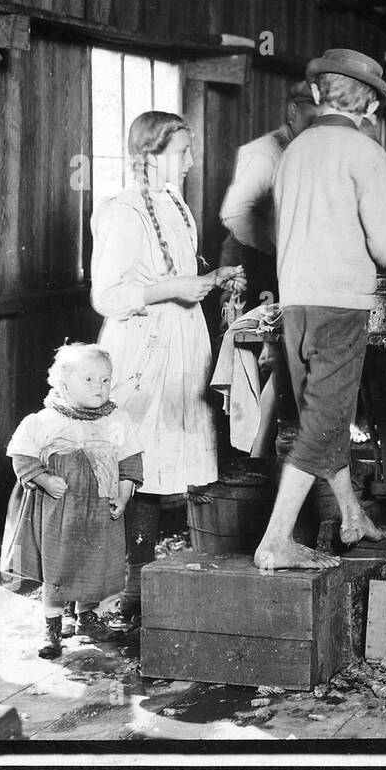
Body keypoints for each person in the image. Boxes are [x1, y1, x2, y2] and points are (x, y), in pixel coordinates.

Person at [254, 49, 386, 571]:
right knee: (325, 419)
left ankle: (352, 515)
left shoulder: (296, 149)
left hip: (296, 300)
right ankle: (275, 540)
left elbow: (273, 230)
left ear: (315, 94)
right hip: (341, 305)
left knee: (320, 413)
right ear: (372, 107)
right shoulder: (364, 153)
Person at [91, 111, 244, 626]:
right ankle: (131, 585)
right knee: (138, 464)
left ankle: (148, 582)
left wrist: (211, 277)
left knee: (164, 465)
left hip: (181, 342)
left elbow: (177, 270)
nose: (191, 161)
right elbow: (106, 296)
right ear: (151, 155)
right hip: (142, 349)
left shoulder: (176, 205)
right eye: (181, 152)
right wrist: (174, 289)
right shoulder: (122, 211)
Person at [2, 344, 143, 658]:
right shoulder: (45, 420)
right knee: (59, 566)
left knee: (94, 563)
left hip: (100, 509)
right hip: (60, 510)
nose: (99, 387)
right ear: (63, 386)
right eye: (89, 380)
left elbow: (131, 459)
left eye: (105, 380)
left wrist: (123, 494)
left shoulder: (116, 420)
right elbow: (22, 455)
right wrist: (45, 479)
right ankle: (52, 625)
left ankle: (86, 616)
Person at [219, 81, 320, 310]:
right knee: (253, 337)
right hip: (253, 261)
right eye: (314, 118)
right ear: (293, 111)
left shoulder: (307, 151)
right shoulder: (266, 152)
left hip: (285, 263)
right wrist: (278, 248)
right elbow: (234, 213)